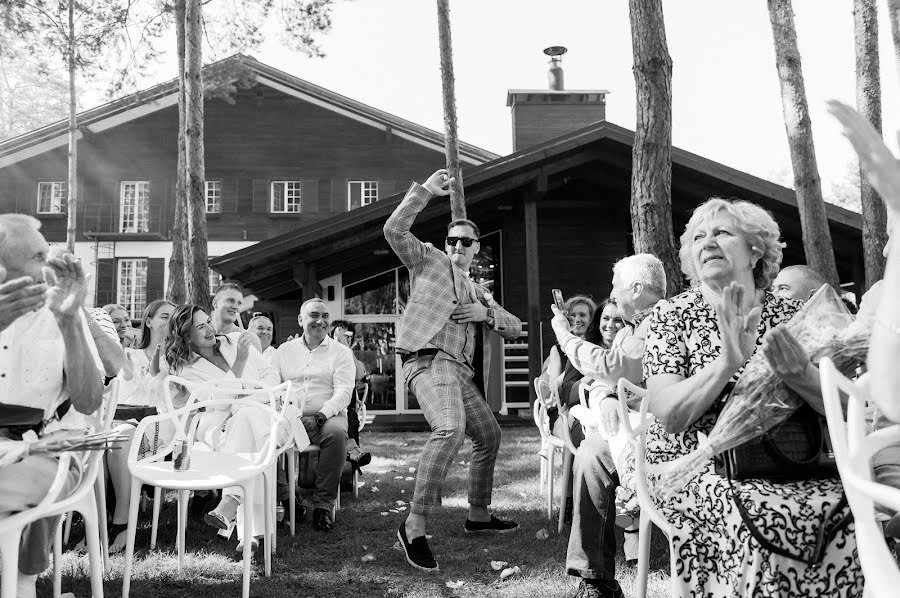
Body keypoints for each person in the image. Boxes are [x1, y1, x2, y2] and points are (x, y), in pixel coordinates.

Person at [642, 198, 861, 597]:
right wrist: (726, 362)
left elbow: (851, 409)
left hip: (797, 463)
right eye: (698, 237)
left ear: (755, 249)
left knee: (851, 508)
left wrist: (804, 376)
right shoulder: (670, 316)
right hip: (696, 468)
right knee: (757, 512)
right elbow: (669, 417)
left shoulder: (797, 315)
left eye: (722, 233)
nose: (707, 242)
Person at [384, 168, 523, 573]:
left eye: (466, 241)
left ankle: (478, 514)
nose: (458, 245)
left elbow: (514, 326)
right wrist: (426, 192)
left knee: (489, 433)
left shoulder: (481, 291)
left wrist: (487, 312)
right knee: (449, 428)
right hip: (429, 360)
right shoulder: (428, 260)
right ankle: (414, 524)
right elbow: (394, 230)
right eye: (452, 240)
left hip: (461, 374)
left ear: (477, 248)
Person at [547, 254, 666, 598]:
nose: (612, 294)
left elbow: (608, 367)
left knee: (591, 452)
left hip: (664, 433)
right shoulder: (630, 330)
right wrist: (607, 398)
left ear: (637, 288)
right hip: (631, 432)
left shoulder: (660, 320)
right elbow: (606, 379)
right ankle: (596, 579)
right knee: (589, 456)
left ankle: (599, 572)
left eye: (616, 287)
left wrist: (562, 334)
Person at [0, 214, 105, 598]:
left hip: (50, 450)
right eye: (37, 257)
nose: (52, 265)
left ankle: (21, 580)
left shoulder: (63, 311)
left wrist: (70, 321)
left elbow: (90, 400)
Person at [162, 304, 300, 554]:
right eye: (200, 326)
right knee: (253, 434)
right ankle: (251, 531)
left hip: (270, 412)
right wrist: (240, 362)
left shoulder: (236, 340)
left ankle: (232, 502)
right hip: (225, 426)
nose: (209, 329)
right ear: (185, 335)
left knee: (250, 417)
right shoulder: (185, 369)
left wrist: (258, 392)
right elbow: (219, 401)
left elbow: (269, 373)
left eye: (208, 322)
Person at [269, 298, 355, 532]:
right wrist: (288, 414)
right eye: (314, 315)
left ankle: (323, 506)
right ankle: (289, 498)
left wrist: (320, 416)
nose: (321, 321)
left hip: (327, 415)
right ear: (300, 320)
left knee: (336, 435)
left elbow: (344, 392)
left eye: (325, 316)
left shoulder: (341, 353)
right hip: (289, 414)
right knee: (264, 435)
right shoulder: (283, 352)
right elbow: (273, 386)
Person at [329, 319, 372, 468]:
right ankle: (352, 450)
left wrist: (346, 348)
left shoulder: (350, 355)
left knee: (349, 414)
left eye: (349, 335)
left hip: (347, 409)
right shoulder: (325, 354)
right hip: (326, 406)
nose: (346, 338)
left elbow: (359, 374)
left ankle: (352, 450)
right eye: (342, 334)